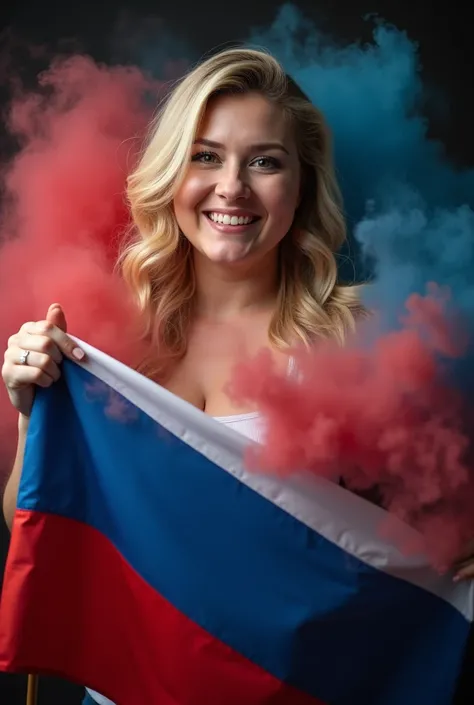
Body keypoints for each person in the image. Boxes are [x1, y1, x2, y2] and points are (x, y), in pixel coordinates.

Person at [2, 47, 473, 705]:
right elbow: (39, 518)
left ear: (301, 183)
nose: (232, 187)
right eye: (206, 155)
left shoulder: (362, 334)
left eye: (265, 161)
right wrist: (34, 412)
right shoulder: (103, 332)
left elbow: (419, 542)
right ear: (171, 174)